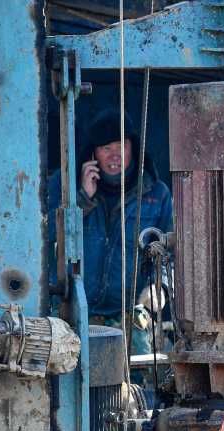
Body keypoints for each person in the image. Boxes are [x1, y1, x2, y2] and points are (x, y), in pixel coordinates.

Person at [47, 108, 172, 354]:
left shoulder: (157, 195)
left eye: (120, 146)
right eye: (106, 148)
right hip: (71, 320)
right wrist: (82, 199)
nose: (114, 155)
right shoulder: (64, 188)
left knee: (136, 390)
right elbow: (41, 238)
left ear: (133, 148)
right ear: (93, 153)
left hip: (131, 321)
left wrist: (162, 287)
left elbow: (173, 252)